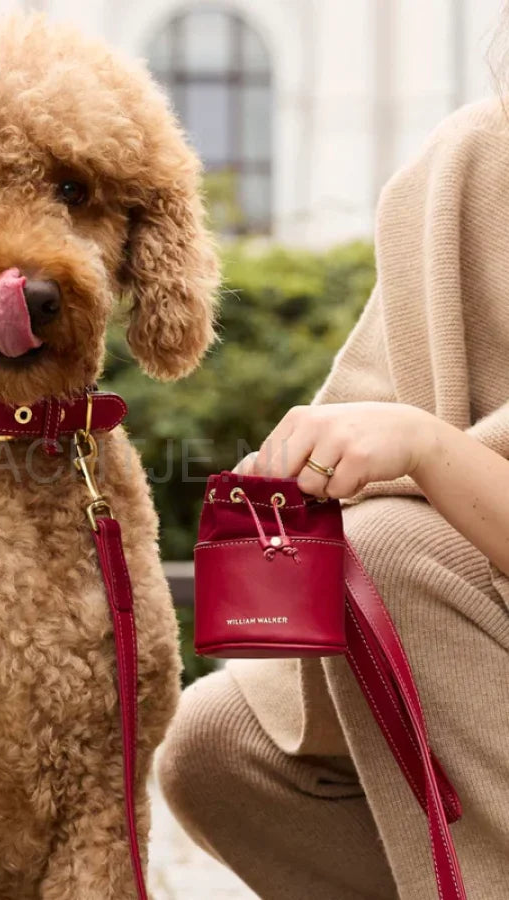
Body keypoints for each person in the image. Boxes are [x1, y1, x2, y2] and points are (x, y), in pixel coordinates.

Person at [157, 98, 509, 898]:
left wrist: (425, 447)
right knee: (218, 745)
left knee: (387, 550)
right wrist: (309, 469)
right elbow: (379, 403)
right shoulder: (465, 166)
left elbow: (417, 450)